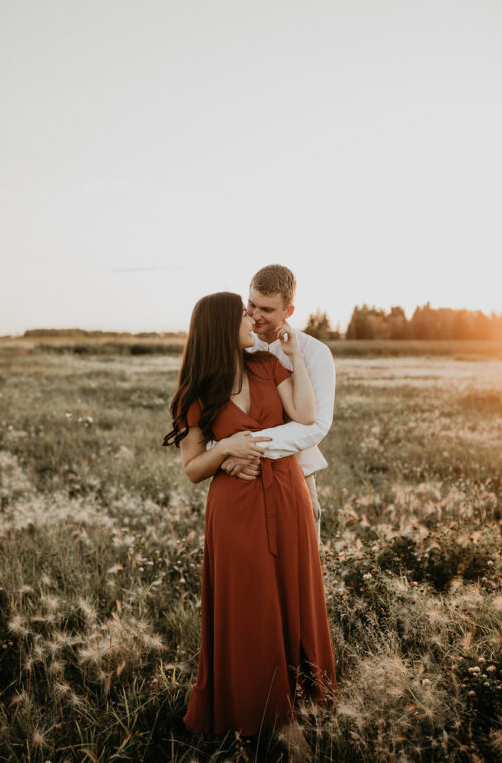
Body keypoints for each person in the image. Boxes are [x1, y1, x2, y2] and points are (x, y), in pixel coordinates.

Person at [162, 291, 336, 755]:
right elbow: (193, 468)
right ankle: (256, 716)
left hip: (287, 493)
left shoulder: (267, 365)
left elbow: (305, 415)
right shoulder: (197, 391)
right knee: (251, 610)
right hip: (236, 509)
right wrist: (224, 452)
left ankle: (303, 702)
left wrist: (295, 355)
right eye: (243, 313)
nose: (251, 319)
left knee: (292, 595)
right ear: (223, 326)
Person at [219, 265, 336, 546]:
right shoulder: (237, 347)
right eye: (251, 305)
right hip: (240, 476)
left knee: (300, 571)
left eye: (267, 310)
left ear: (288, 312)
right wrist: (223, 454)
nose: (255, 316)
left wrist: (248, 450)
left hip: (297, 474)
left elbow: (316, 425)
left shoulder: (315, 353)